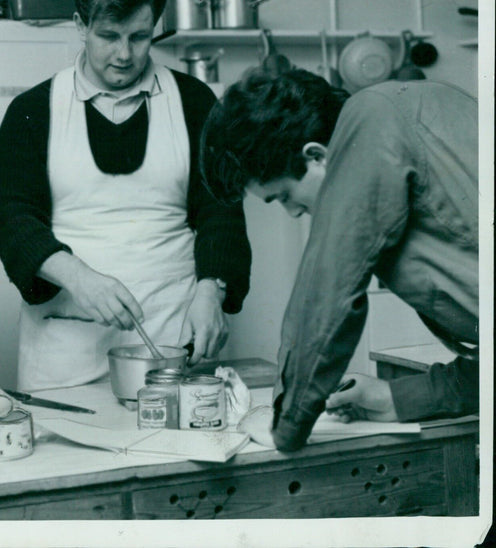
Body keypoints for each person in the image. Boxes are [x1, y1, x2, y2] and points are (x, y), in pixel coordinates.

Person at [0, 0, 251, 391]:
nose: (124, 54)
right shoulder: (32, 110)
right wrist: (79, 278)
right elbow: (14, 220)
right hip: (66, 344)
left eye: (139, 37)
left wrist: (213, 289)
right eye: (109, 36)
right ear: (81, 25)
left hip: (172, 336)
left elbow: (221, 210)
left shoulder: (196, 102)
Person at [200, 67, 479, 451]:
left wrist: (287, 424)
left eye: (284, 196)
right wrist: (396, 398)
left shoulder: (371, 120)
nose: (293, 213)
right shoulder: (429, 105)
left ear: (317, 156)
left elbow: (328, 289)